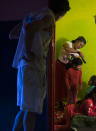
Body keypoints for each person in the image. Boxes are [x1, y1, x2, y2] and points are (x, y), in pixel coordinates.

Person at [9, 0, 70, 131]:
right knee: (30, 111)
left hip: (24, 66)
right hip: (33, 66)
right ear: (62, 12)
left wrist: (26, 44)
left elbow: (13, 33)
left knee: (25, 109)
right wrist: (28, 51)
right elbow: (29, 28)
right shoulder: (49, 17)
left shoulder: (34, 14)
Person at [55, 36, 86, 108]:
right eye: (80, 44)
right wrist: (78, 52)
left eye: (82, 46)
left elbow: (77, 62)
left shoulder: (77, 51)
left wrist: (81, 56)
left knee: (65, 86)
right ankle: (57, 102)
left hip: (68, 68)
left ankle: (64, 103)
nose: (80, 47)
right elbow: (68, 50)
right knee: (58, 84)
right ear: (77, 41)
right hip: (59, 65)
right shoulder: (68, 43)